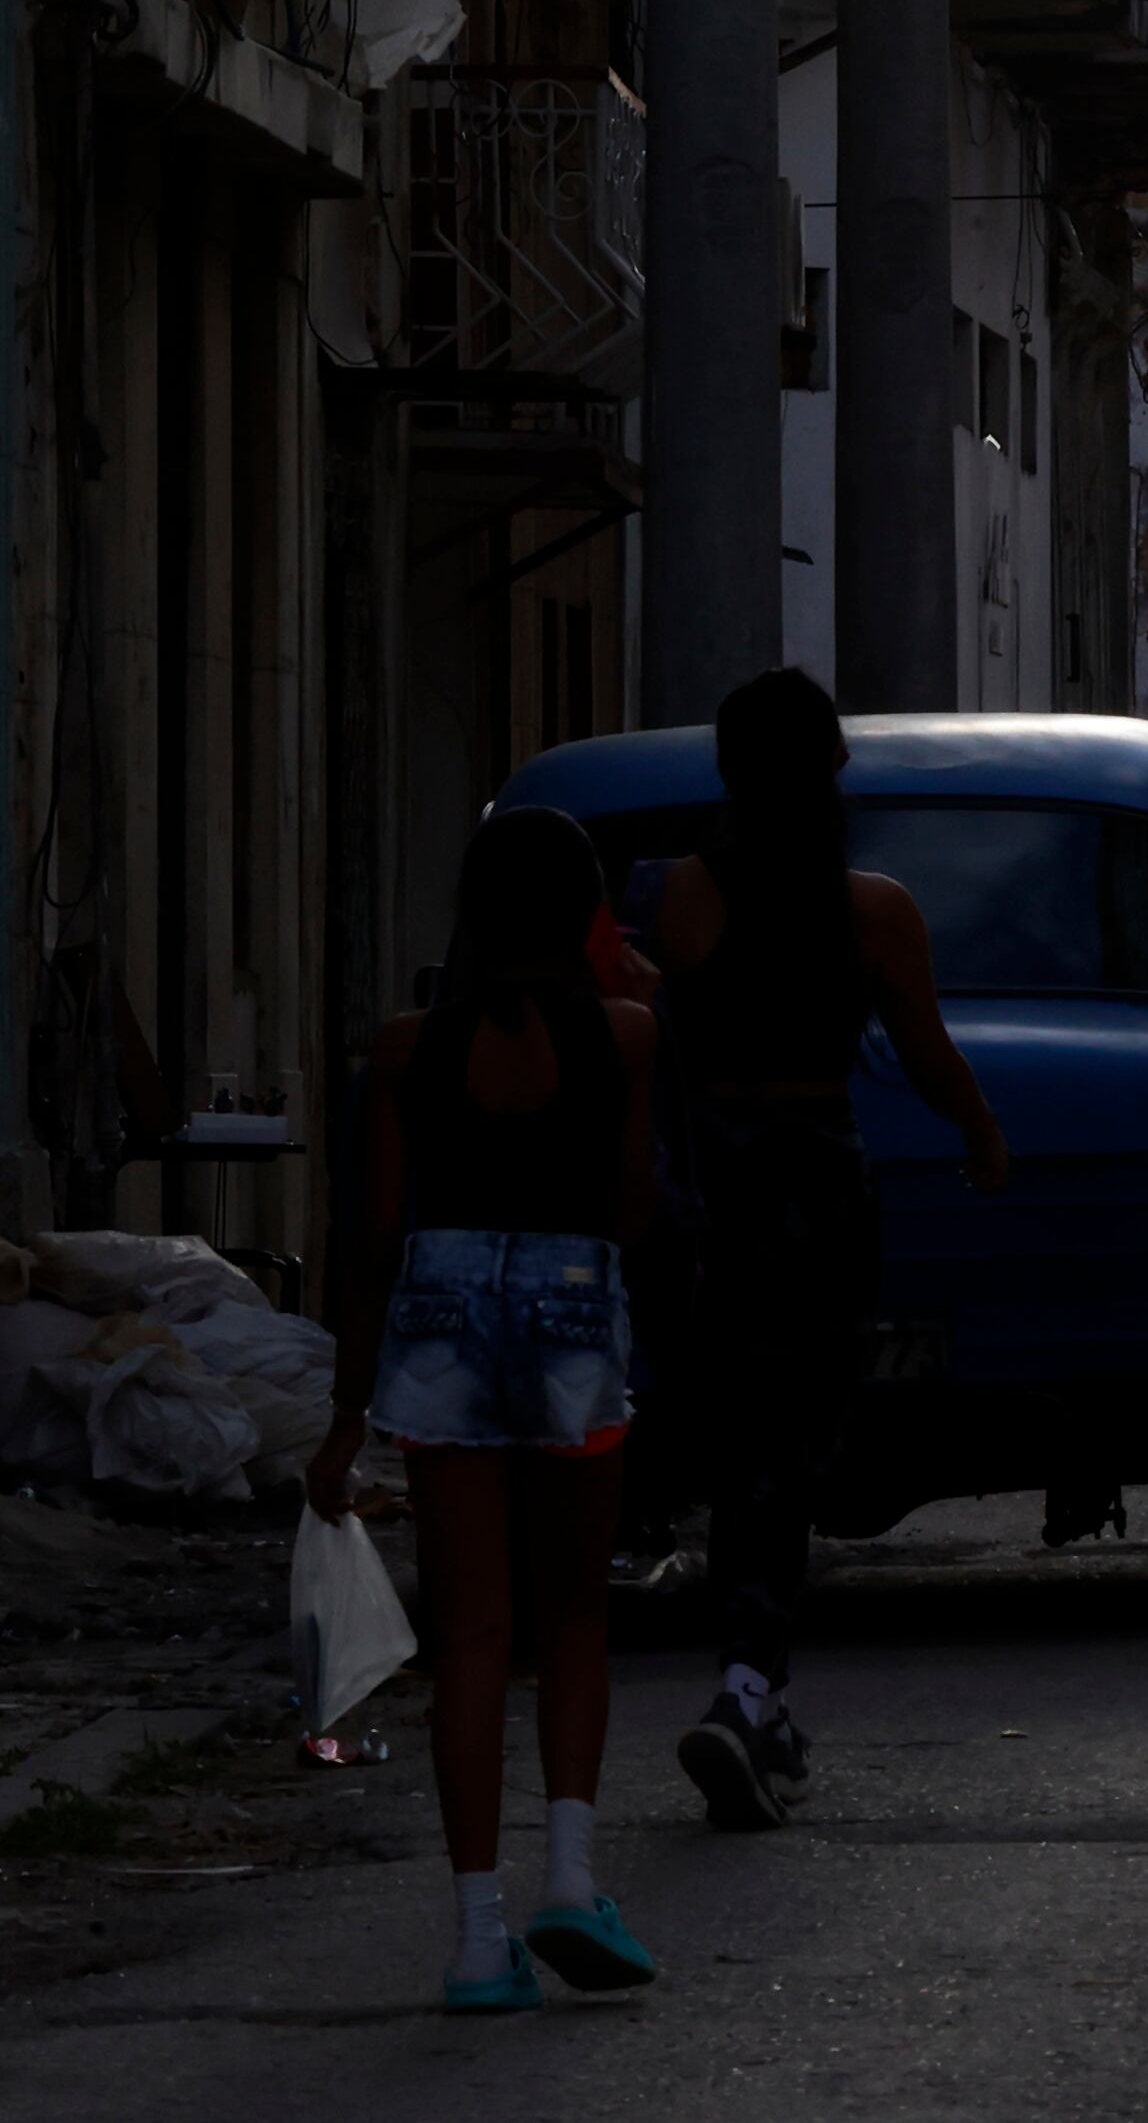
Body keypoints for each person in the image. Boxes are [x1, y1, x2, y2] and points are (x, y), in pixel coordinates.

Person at [310, 808, 667, 2010]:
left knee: (469, 1632)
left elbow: (374, 1241)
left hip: (441, 1320)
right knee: (573, 1617)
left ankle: (476, 1940)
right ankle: (570, 1878)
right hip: (572, 1315)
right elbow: (633, 1209)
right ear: (585, 915)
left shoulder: (405, 1049)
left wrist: (346, 1414)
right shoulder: (627, 1035)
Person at [655, 668, 1012, 1832]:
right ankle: (749, 1690)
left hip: (720, 1200)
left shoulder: (688, 896)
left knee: (743, 1452)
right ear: (831, 769)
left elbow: (668, 1042)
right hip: (820, 1196)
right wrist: (982, 1135)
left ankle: (755, 1691)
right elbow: (928, 1055)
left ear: (729, 771)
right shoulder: (875, 912)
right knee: (791, 1452)